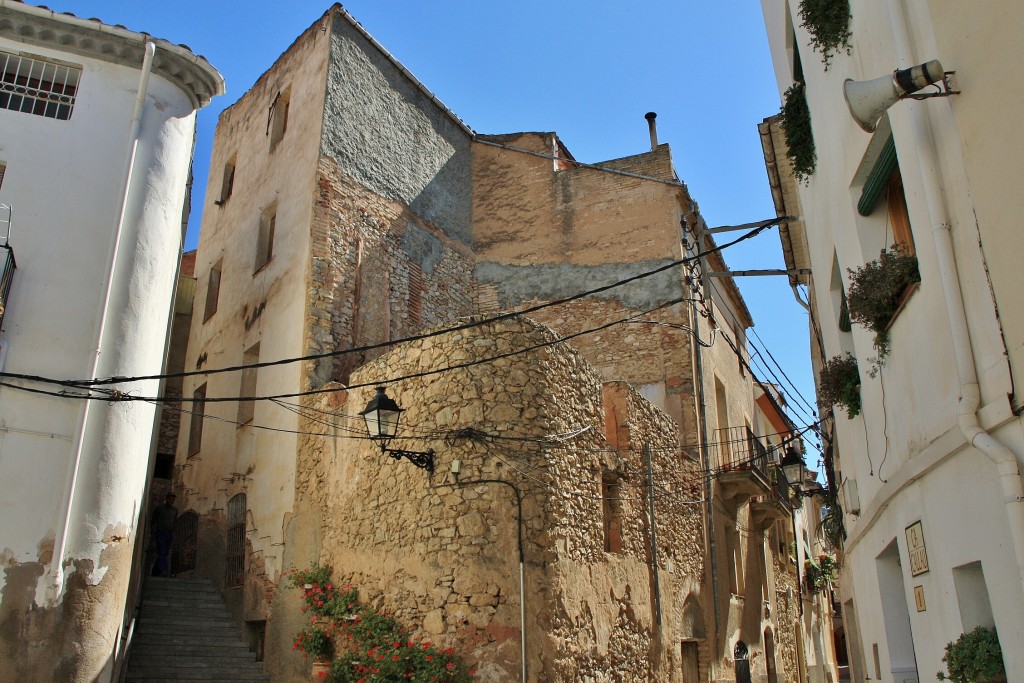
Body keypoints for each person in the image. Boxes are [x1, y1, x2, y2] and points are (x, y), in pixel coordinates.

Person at [151, 493, 178, 577]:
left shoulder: (175, 510)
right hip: (161, 532)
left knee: (164, 553)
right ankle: (163, 570)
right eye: (170, 499)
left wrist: (174, 534)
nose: (171, 501)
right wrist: (153, 533)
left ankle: (155, 572)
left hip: (169, 534)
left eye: (173, 500)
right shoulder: (159, 508)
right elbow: (153, 521)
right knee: (162, 552)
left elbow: (174, 522)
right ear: (166, 499)